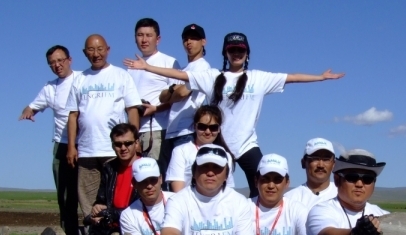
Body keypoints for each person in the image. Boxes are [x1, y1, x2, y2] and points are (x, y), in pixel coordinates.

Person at [124, 32, 344, 197]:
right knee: (209, 189)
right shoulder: (213, 77)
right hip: (218, 144)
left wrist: (320, 77)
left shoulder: (258, 78)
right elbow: (179, 74)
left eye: (241, 50)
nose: (236, 54)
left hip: (246, 145)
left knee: (262, 186)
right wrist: (147, 67)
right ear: (226, 53)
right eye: (232, 50)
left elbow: (292, 77)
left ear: (247, 53)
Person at [66, 34, 141, 218]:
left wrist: (135, 141)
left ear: (108, 50)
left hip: (114, 150)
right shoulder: (79, 79)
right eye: (91, 50)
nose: (96, 54)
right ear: (85, 53)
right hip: (87, 150)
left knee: (113, 198)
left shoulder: (121, 75)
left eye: (100, 49)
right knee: (88, 203)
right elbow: (73, 114)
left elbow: (132, 110)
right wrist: (71, 146)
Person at [19, 45, 82, 235]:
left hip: (88, 145)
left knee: (93, 199)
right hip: (62, 146)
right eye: (52, 63)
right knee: (66, 201)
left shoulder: (83, 79)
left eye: (60, 60)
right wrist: (29, 111)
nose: (57, 65)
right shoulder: (50, 87)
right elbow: (32, 105)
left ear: (69, 59)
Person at [127, 18, 180, 174]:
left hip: (159, 130)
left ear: (158, 39)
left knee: (155, 176)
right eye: (140, 35)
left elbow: (179, 97)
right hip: (136, 131)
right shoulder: (131, 67)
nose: (144, 40)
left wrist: (156, 109)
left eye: (149, 35)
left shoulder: (169, 62)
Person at [160, 24, 211, 155]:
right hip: (171, 131)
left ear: (203, 41)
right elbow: (162, 97)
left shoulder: (203, 67)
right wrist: (173, 89)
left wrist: (174, 92)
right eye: (186, 39)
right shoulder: (181, 70)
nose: (189, 42)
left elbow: (183, 93)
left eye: (194, 38)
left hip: (188, 131)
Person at [165, 105, 235, 192]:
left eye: (213, 128)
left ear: (219, 129)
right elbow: (178, 190)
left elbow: (228, 190)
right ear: (195, 126)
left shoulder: (226, 156)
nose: (208, 131)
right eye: (202, 127)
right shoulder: (180, 151)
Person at [119, 159, 174, 235]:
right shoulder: (128, 216)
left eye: (153, 180)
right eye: (143, 181)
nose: (149, 186)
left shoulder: (179, 200)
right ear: (134, 184)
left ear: (161, 179)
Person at [285, 138, 338, 211]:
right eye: (315, 158)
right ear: (303, 163)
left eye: (326, 159)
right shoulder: (289, 199)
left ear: (333, 165)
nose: (321, 165)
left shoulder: (344, 196)